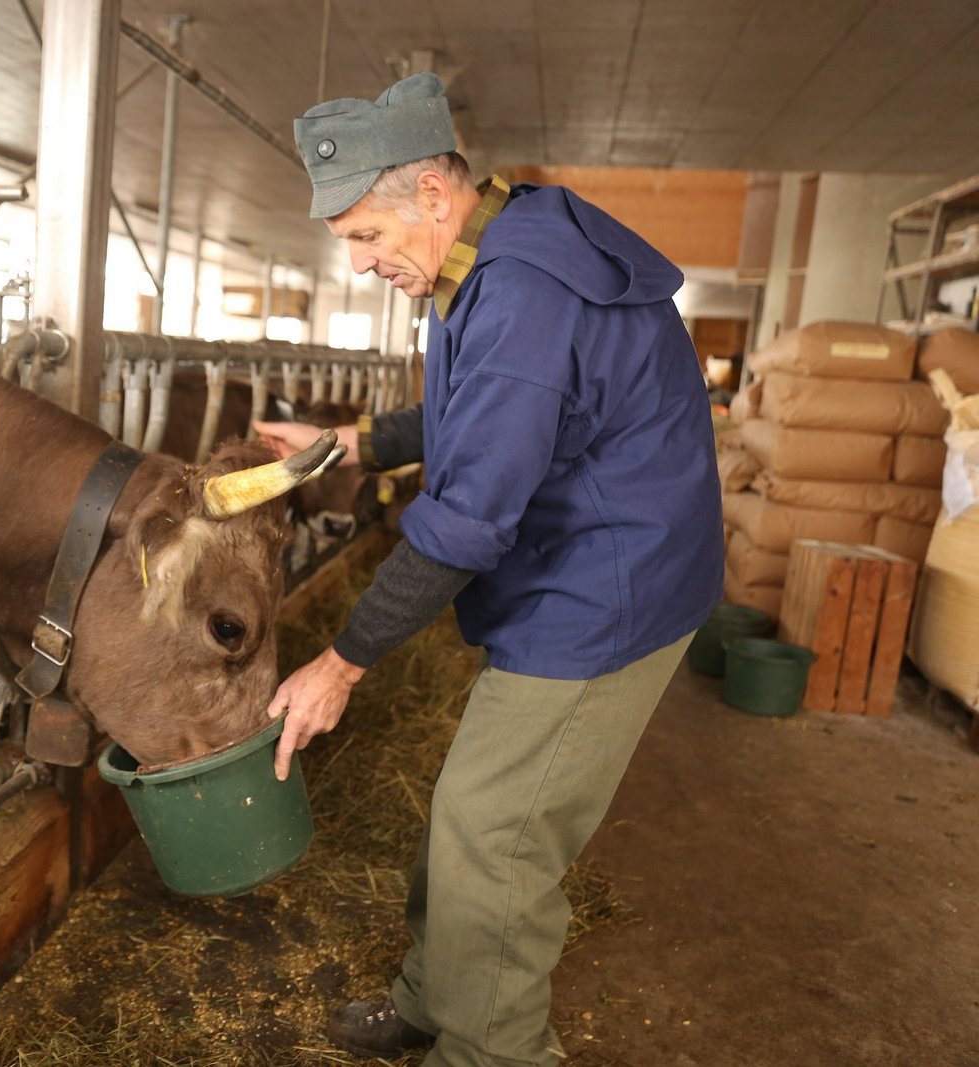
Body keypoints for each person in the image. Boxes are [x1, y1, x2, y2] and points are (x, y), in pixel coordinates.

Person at [254, 72, 723, 1067]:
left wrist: (341, 661)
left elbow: (467, 519)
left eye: (367, 235)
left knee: (495, 830)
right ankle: (436, 996)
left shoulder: (521, 291)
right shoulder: (497, 242)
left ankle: (493, 1050)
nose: (360, 261)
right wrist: (357, 441)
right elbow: (480, 407)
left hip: (607, 586)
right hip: (591, 553)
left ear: (431, 193)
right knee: (473, 803)